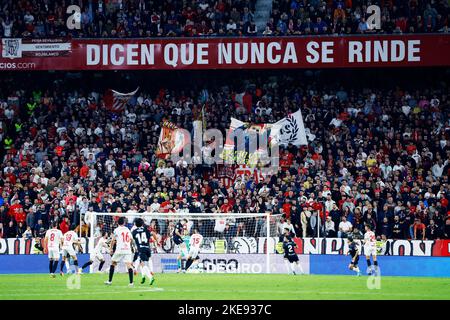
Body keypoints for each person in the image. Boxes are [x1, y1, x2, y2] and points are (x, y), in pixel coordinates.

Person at [105, 217, 134, 286]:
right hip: (127, 249)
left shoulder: (116, 230)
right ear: (124, 223)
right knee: (129, 265)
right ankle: (131, 283)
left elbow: (113, 240)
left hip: (120, 249)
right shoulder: (127, 229)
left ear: (118, 223)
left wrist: (111, 249)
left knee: (113, 263)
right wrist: (131, 247)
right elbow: (131, 239)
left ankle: (109, 281)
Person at [132, 218, 155, 285]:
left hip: (141, 249)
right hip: (147, 248)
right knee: (145, 261)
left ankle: (151, 277)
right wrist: (156, 241)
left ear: (135, 224)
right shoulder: (146, 230)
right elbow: (152, 234)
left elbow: (131, 239)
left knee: (142, 264)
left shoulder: (134, 231)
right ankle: (145, 274)